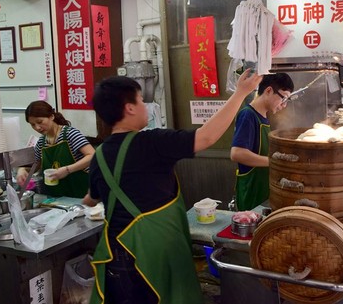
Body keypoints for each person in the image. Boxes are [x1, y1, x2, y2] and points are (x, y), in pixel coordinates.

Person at [83, 70, 262, 304]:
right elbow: (206, 137)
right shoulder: (152, 142)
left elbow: (90, 199)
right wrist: (241, 93)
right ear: (129, 107)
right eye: (140, 100)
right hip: (153, 258)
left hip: (117, 258)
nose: (145, 106)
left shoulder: (99, 156)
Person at [230, 73, 294, 210]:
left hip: (263, 193)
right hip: (251, 194)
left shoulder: (263, 117)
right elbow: (237, 153)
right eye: (283, 98)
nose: (284, 105)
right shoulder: (248, 115)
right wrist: (275, 162)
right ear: (269, 90)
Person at [16, 101, 94, 198]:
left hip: (82, 195)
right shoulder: (41, 142)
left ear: (51, 116)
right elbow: (35, 166)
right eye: (33, 125)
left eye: (40, 122)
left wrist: (67, 170)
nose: (37, 127)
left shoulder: (70, 134)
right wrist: (22, 169)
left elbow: (92, 155)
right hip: (58, 198)